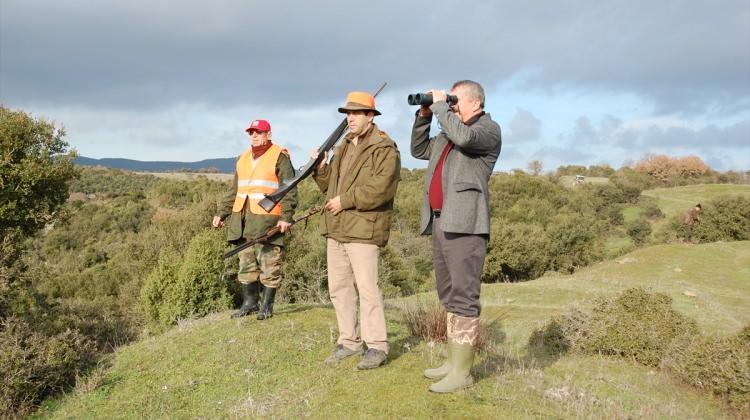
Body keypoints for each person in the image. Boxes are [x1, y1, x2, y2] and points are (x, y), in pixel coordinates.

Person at [410, 80, 502, 393]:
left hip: (466, 225)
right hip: (441, 222)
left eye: (454, 100)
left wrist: (439, 107)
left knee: (464, 295)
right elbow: (419, 150)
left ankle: (463, 373)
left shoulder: (487, 130)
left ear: (475, 102)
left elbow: (463, 137)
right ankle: (452, 363)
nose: (450, 105)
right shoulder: (449, 131)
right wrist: (423, 116)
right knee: (448, 294)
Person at [311, 91, 401, 370]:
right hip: (337, 227)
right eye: (347, 114)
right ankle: (349, 341)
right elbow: (331, 188)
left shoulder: (384, 148)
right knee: (339, 288)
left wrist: (345, 201)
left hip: (363, 229)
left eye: (356, 113)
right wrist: (320, 168)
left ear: (370, 116)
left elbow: (381, 190)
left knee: (367, 289)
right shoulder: (344, 146)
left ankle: (376, 347)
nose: (349, 118)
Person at [212, 119, 298, 320]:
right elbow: (235, 191)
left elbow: (289, 189)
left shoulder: (280, 156)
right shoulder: (242, 159)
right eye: (251, 132)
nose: (254, 135)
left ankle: (267, 307)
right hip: (242, 221)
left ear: (268, 133)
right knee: (246, 265)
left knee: (270, 265)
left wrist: (286, 217)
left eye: (258, 132)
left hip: (267, 222)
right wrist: (220, 213)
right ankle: (249, 304)